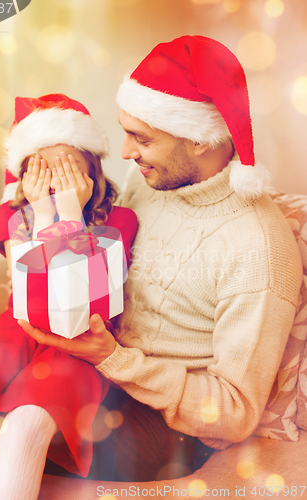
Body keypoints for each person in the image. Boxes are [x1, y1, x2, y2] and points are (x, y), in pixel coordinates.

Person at [19, 36, 303, 483]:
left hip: (165, 421)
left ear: (201, 141)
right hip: (95, 369)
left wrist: (114, 359)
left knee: (16, 439)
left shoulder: (257, 250)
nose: (127, 153)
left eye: (141, 138)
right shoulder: (151, 181)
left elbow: (234, 413)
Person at [0, 94, 138, 500]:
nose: (54, 181)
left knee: (26, 424)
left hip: (77, 342)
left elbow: (73, 309)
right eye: (40, 168)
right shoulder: (13, 217)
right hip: (19, 327)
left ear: (92, 169)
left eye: (68, 167)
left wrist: (70, 214)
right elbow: (31, 293)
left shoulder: (121, 221)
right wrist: (44, 217)